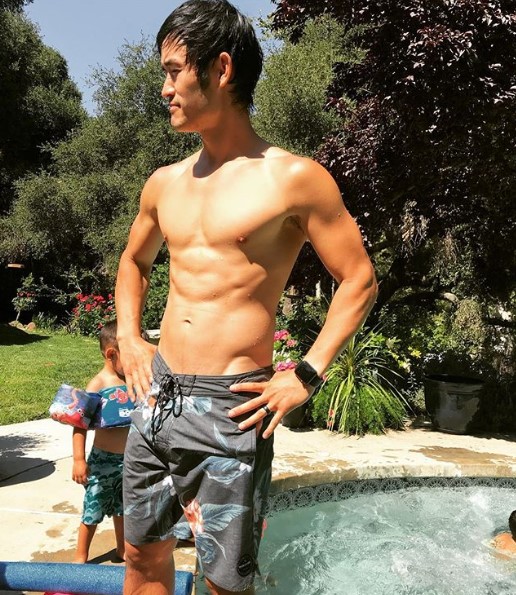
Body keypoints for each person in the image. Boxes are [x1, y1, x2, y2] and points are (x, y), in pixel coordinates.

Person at [114, 1, 377, 593]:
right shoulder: (164, 182)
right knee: (139, 557)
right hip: (158, 396)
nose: (165, 89)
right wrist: (129, 335)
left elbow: (359, 279)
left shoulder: (293, 178)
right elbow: (134, 262)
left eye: (174, 72)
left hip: (231, 408)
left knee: (224, 583)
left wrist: (306, 373)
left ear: (221, 68)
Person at [71, 320, 129, 563]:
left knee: (123, 508)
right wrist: (79, 460)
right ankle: (81, 557)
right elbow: (79, 424)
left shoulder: (132, 379)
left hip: (129, 460)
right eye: (131, 355)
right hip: (102, 461)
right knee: (93, 508)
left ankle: (122, 549)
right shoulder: (98, 385)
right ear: (111, 354)